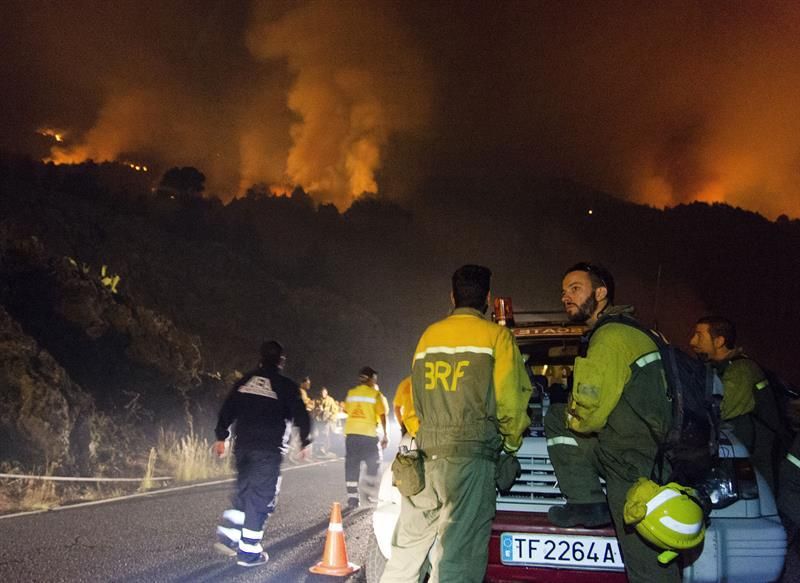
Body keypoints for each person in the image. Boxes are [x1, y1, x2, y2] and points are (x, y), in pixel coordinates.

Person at [381, 264, 531, 583]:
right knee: (457, 557)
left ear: (452, 296)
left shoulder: (428, 337)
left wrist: (427, 436)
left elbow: (413, 398)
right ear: (487, 298)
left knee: (407, 552)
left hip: (426, 458)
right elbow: (510, 402)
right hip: (470, 461)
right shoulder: (496, 336)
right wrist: (511, 444)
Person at [544, 262, 679, 582]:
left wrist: (570, 412)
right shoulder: (634, 331)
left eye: (575, 288)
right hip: (649, 452)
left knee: (646, 562)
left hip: (631, 461)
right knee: (653, 553)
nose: (566, 297)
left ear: (601, 293)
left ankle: (588, 502)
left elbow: (587, 414)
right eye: (564, 292)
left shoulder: (608, 338)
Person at [213, 340, 311, 568]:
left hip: (243, 448)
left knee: (245, 490)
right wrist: (305, 440)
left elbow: (228, 409)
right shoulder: (285, 386)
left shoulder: (245, 381)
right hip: (268, 450)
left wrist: (221, 437)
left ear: (260, 358)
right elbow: (301, 414)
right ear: (281, 361)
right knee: (261, 497)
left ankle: (229, 539)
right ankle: (248, 553)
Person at [689, 316, 783, 490]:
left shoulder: (742, 370)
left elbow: (720, 409)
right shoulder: (717, 368)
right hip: (736, 458)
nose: (692, 341)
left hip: (752, 466)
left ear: (719, 341)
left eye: (699, 335)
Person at [343, 366, 389, 510]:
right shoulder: (376, 395)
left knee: (352, 466)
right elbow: (383, 415)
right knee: (374, 463)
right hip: (368, 436)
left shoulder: (351, 393)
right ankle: (368, 491)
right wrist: (386, 435)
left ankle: (352, 498)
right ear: (372, 379)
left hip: (351, 435)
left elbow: (347, 410)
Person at [313, 386, 339, 457]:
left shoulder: (330, 400)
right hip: (318, 421)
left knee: (325, 435)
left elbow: (335, 410)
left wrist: (330, 418)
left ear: (326, 392)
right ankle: (318, 450)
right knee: (317, 435)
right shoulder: (317, 400)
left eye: (324, 392)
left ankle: (324, 450)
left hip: (326, 421)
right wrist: (317, 411)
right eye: (322, 392)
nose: (323, 394)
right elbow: (313, 409)